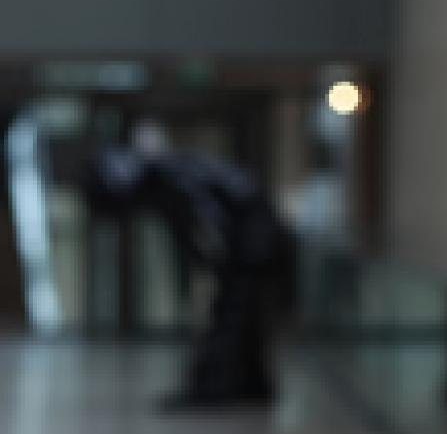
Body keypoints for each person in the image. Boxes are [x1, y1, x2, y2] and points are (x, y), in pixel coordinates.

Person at [84, 147, 296, 410]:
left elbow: (208, 213)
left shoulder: (169, 177)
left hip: (255, 237)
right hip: (252, 235)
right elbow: (192, 225)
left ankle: (218, 384)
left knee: (234, 315)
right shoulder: (168, 176)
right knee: (241, 315)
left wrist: (220, 256)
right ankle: (247, 383)